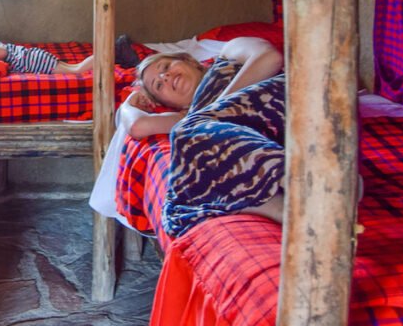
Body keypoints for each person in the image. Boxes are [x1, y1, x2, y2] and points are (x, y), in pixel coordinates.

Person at [116, 36, 287, 237]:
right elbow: (137, 126)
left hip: (288, 104)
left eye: (166, 66)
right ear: (170, 104)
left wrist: (218, 108)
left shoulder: (228, 54)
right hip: (276, 142)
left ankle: (289, 201)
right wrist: (128, 103)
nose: (165, 77)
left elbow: (270, 58)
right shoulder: (188, 119)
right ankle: (289, 208)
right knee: (181, 198)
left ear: (188, 61)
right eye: (158, 86)